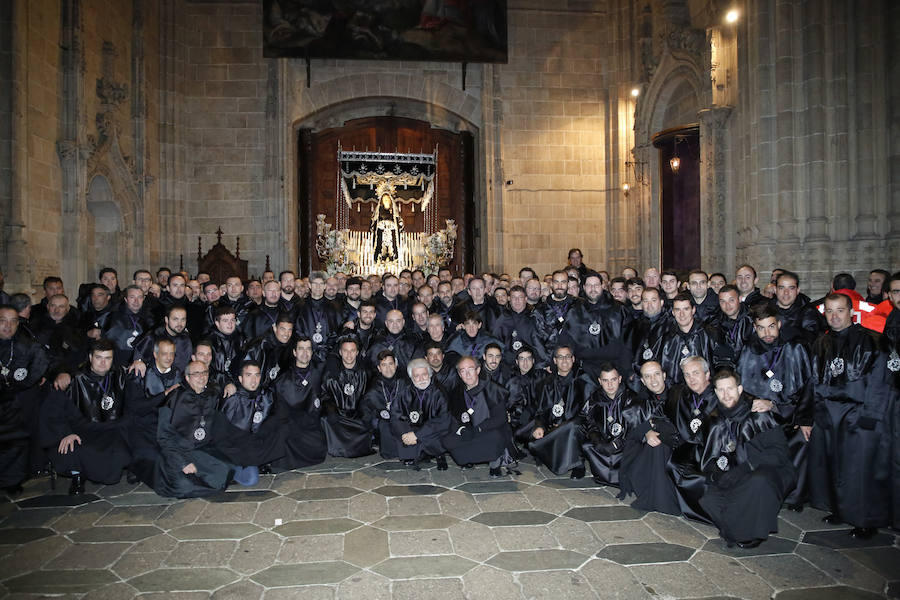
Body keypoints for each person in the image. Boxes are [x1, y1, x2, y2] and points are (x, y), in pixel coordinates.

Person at [808, 293, 896, 538]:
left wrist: (870, 416)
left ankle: (865, 519)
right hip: (828, 414)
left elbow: (882, 383)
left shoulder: (873, 341)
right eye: (829, 311)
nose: (834, 316)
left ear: (851, 312)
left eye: (840, 311)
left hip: (859, 415)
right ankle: (840, 509)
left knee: (860, 470)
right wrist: (813, 415)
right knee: (834, 465)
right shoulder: (820, 343)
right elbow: (813, 382)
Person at [153, 361, 282, 498]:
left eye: (204, 373)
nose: (201, 377)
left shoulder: (212, 394)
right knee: (183, 485)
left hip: (203, 450)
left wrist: (229, 384)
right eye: (196, 374)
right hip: (179, 451)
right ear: (187, 377)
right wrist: (182, 463)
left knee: (223, 476)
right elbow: (164, 437)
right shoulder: (173, 399)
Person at [699, 369, 796, 548]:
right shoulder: (715, 419)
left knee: (758, 482)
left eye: (730, 388)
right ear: (715, 392)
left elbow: (780, 453)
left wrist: (746, 467)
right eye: (721, 390)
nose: (726, 394)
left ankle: (751, 534)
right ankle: (738, 530)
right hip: (736, 472)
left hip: (768, 469)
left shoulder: (759, 414)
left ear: (740, 389)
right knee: (709, 499)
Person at [736, 303, 813, 510]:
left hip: (789, 414)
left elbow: (807, 386)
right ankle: (759, 489)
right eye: (761, 328)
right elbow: (741, 387)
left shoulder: (795, 348)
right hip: (759, 416)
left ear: (779, 324)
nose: (767, 333)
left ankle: (793, 496)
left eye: (771, 326)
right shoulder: (748, 349)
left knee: (803, 440)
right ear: (754, 328)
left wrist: (782, 408)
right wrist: (755, 403)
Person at [41, 339, 132, 495]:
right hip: (84, 430)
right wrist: (66, 433)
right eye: (98, 357)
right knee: (69, 448)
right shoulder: (75, 378)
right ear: (90, 357)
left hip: (113, 428)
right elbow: (55, 412)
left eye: (108, 358)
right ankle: (78, 476)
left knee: (128, 445)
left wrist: (139, 362)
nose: (103, 363)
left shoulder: (121, 375)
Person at [618, 361, 680, 515]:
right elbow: (630, 431)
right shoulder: (639, 403)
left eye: (657, 374)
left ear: (664, 375)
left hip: (679, 446)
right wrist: (646, 431)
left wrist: (654, 425)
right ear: (643, 381)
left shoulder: (679, 394)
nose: (653, 380)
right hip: (652, 449)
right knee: (656, 445)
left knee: (659, 444)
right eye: (648, 376)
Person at [0, 305, 50, 494]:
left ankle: (13, 479)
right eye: (3, 321)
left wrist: (25, 383)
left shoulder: (25, 345)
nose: (8, 326)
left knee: (17, 439)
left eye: (13, 321)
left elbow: (40, 362)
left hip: (18, 400)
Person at [664, 355, 720, 523]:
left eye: (695, 373)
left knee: (706, 475)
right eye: (687, 375)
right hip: (690, 445)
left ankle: (711, 514)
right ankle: (688, 510)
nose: (691, 378)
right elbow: (664, 412)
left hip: (714, 447)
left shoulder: (720, 392)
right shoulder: (681, 393)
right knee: (673, 464)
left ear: (707, 374)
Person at [442, 356, 515, 476]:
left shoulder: (492, 389)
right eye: (463, 371)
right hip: (469, 431)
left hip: (487, 430)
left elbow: (500, 418)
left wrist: (478, 429)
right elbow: (454, 417)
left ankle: (494, 461)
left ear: (478, 370)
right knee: (447, 440)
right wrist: (462, 429)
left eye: (471, 369)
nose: (468, 374)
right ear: (459, 374)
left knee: (496, 436)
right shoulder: (456, 392)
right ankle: (470, 457)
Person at [528, 345, 594, 478]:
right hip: (553, 426)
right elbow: (541, 410)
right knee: (533, 430)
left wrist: (565, 424)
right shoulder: (547, 383)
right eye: (560, 357)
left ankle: (578, 464)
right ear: (554, 360)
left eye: (568, 356)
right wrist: (539, 425)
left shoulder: (584, 380)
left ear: (573, 359)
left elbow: (588, 412)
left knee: (574, 426)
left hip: (575, 427)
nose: (564, 360)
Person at [124, 338, 182, 485]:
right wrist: (165, 394)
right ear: (155, 355)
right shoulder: (140, 373)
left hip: (166, 426)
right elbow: (136, 407)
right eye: (164, 354)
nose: (169, 358)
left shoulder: (178, 374)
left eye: (172, 354)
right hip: (143, 425)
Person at [581, 363, 645, 487]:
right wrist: (596, 440)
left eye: (613, 379)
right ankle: (604, 476)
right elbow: (588, 420)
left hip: (624, 445)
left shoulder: (631, 398)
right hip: (605, 441)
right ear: (599, 381)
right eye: (605, 380)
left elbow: (636, 428)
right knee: (587, 445)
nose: (610, 385)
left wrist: (616, 444)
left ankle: (624, 477)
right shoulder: (595, 398)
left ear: (620, 379)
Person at [270, 336, 328, 469]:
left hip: (312, 423)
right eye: (301, 349)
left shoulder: (319, 372)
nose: (305, 353)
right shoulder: (283, 379)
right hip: (293, 423)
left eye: (308, 349)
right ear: (294, 352)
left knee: (318, 446)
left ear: (312, 352)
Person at [387, 358, 450, 469]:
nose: (421, 379)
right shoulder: (404, 392)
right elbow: (395, 414)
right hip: (411, 430)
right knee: (395, 428)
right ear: (411, 378)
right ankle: (421, 452)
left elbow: (443, 420)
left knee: (437, 433)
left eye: (424, 375)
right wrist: (405, 434)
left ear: (430, 374)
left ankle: (438, 454)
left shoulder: (440, 392)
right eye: (416, 376)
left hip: (432, 430)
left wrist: (418, 435)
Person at [219, 361, 275, 483]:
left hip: (256, 447)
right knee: (251, 480)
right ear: (240, 378)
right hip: (237, 451)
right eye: (249, 375)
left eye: (257, 375)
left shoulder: (266, 397)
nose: (253, 380)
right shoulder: (233, 400)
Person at [320, 336, 373, 458]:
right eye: (345, 351)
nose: (349, 355)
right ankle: (339, 448)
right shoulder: (331, 374)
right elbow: (324, 395)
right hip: (339, 415)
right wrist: (332, 410)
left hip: (357, 414)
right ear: (340, 352)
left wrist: (364, 410)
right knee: (325, 420)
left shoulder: (365, 372)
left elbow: (369, 395)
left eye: (352, 350)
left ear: (357, 352)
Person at [363, 350, 409, 460]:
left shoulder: (405, 382)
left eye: (390, 364)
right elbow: (368, 409)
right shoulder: (374, 386)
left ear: (396, 365)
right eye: (384, 365)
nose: (388, 368)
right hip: (382, 422)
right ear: (379, 368)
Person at [295, 271, 341, 363]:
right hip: (305, 354)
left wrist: (324, 351)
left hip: (327, 355)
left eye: (321, 284)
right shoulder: (299, 306)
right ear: (309, 285)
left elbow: (336, 332)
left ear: (325, 286)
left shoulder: (333, 307)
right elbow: (297, 330)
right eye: (315, 284)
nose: (318, 287)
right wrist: (308, 349)